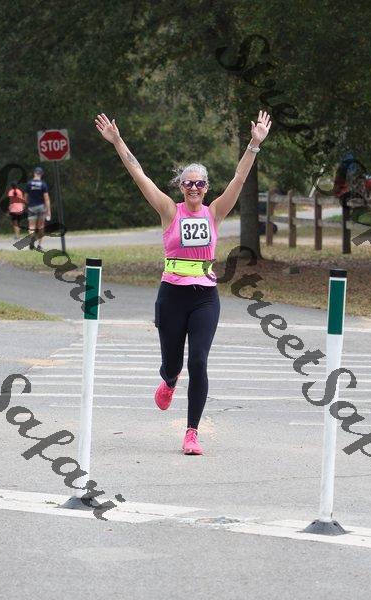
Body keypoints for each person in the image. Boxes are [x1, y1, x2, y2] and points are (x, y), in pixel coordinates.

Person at [95, 110, 271, 455]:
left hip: (205, 297)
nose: (193, 188)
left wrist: (254, 144)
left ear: (206, 188)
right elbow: (139, 174)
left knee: (199, 362)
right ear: (181, 187)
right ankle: (168, 380)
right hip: (171, 296)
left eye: (199, 183)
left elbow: (239, 179)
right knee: (173, 364)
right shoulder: (169, 211)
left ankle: (191, 433)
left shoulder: (214, 212)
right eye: (188, 183)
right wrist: (117, 141)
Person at [24, 166, 51, 250]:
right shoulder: (43, 184)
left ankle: (32, 238)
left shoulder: (29, 183)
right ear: (41, 174)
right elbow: (46, 199)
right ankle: (39, 245)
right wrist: (48, 210)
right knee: (41, 226)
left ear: (34, 173)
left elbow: (25, 197)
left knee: (31, 226)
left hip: (31, 207)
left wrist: (25, 205)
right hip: (41, 207)